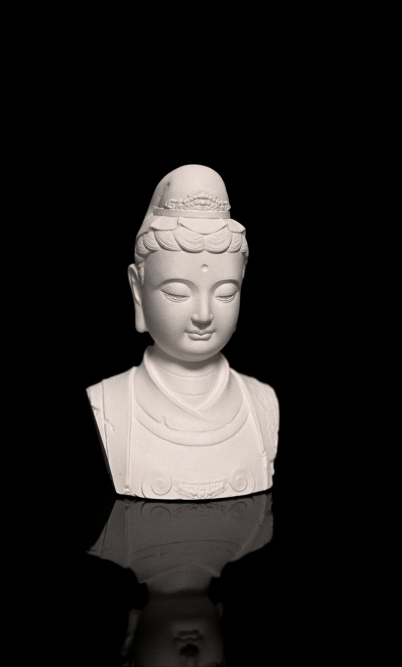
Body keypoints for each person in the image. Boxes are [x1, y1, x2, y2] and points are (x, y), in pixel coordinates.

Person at [87, 165, 279, 499]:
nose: (204, 315)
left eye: (225, 293)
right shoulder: (108, 403)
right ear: (138, 291)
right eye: (177, 293)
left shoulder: (263, 402)